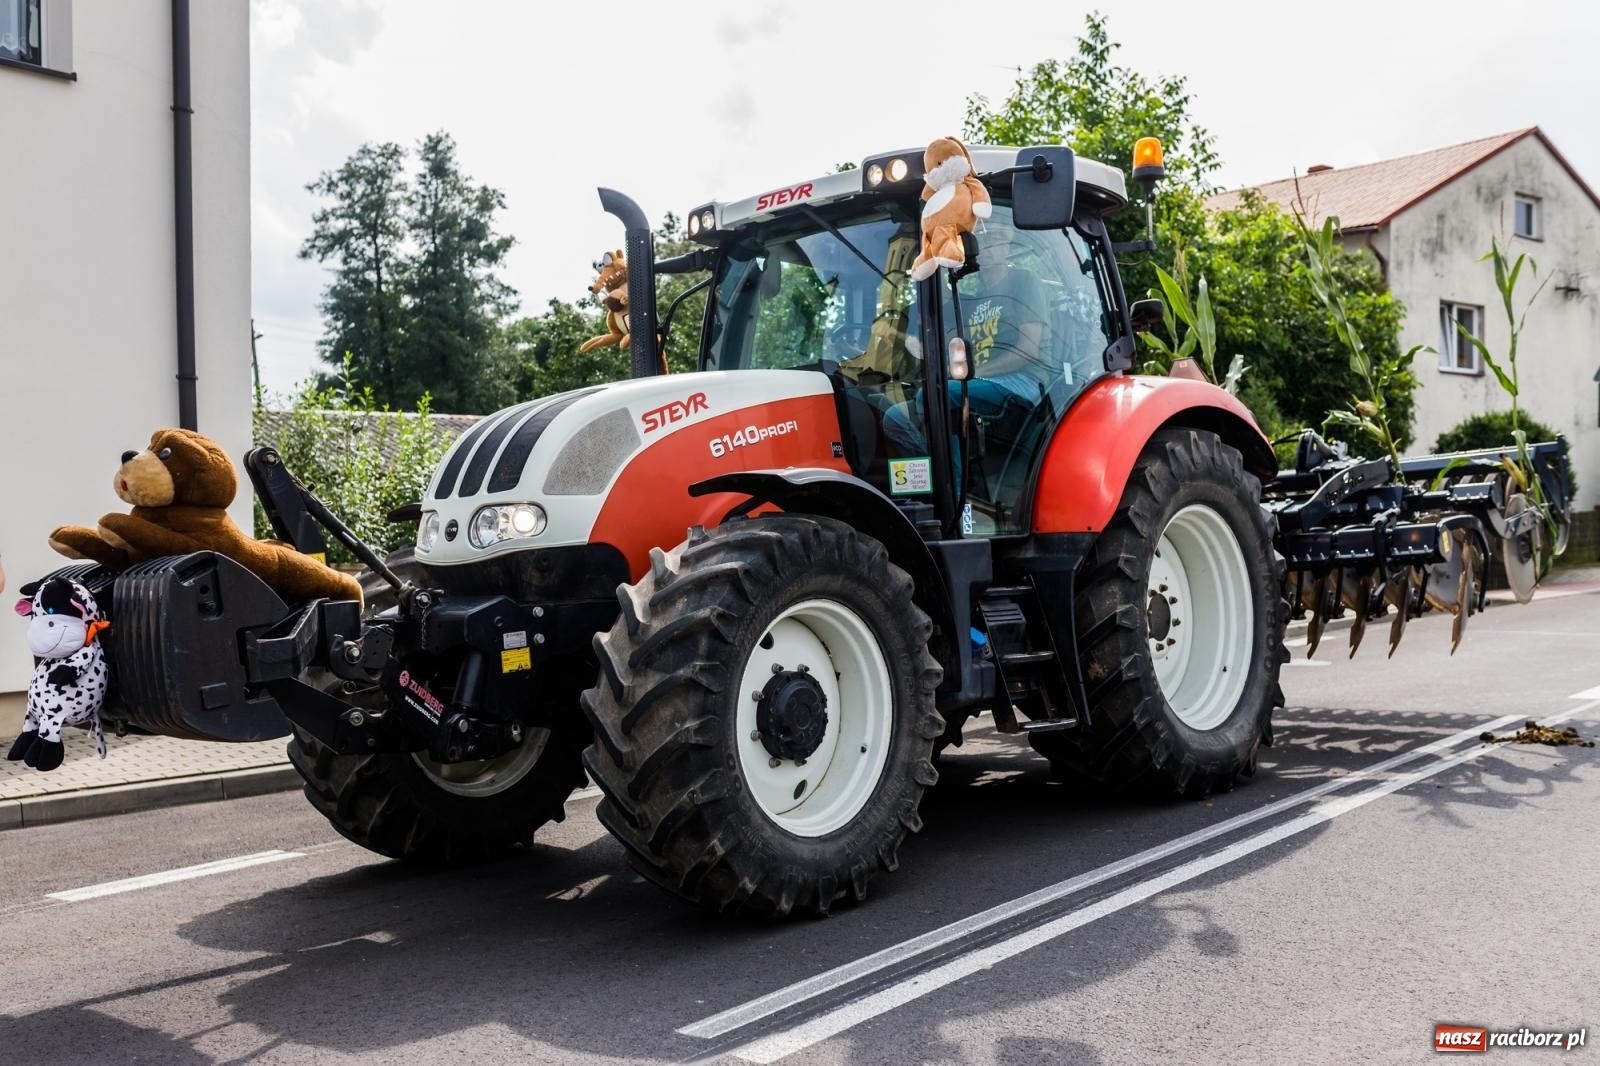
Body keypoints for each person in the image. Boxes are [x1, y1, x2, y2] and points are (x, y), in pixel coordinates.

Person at [883, 225, 1049, 456]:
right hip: (976, 382)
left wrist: (976, 371)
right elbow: (951, 349)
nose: (988, 246)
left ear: (1007, 246)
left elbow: (1029, 350)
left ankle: (954, 485)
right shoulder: (971, 299)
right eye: (982, 240)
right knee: (894, 416)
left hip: (1022, 381)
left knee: (941, 396)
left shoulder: (1022, 281)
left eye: (996, 239)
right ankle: (935, 475)